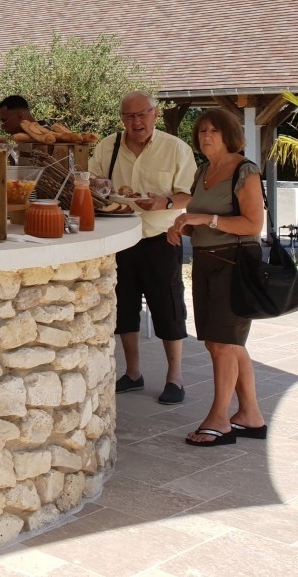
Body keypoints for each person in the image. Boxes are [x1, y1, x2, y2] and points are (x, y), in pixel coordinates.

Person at [89, 91, 196, 405]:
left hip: (161, 237)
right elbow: (91, 181)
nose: (136, 122)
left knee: (168, 307)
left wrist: (164, 201)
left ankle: (174, 377)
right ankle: (133, 373)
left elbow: (189, 196)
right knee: (124, 307)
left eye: (142, 114)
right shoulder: (107, 147)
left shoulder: (176, 149)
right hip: (120, 238)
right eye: (129, 116)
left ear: (155, 114)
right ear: (122, 118)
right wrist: (99, 187)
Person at [167, 109, 266, 446]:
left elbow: (253, 225)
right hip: (207, 262)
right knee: (221, 342)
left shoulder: (244, 170)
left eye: (214, 131)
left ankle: (219, 419)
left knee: (224, 344)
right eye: (202, 131)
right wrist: (182, 224)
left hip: (235, 264)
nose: (206, 136)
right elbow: (203, 216)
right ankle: (250, 415)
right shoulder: (204, 170)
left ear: (229, 135)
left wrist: (203, 218)